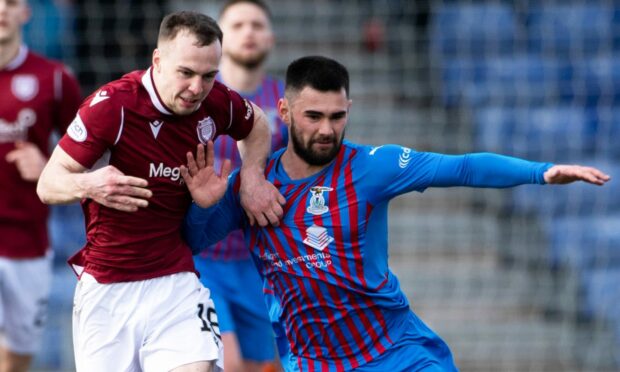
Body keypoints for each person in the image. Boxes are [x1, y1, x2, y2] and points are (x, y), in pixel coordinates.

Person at [182, 56, 611, 371]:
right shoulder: (252, 189)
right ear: (287, 113)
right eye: (313, 116)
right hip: (314, 361)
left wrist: (541, 173)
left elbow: (460, 166)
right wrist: (203, 205)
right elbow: (193, 242)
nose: (327, 129)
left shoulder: (371, 166)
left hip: (396, 353)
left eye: (337, 116)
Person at [36, 10, 284, 372]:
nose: (197, 88)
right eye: (185, 73)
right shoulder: (112, 107)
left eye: (208, 76)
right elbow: (48, 184)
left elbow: (257, 124)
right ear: (158, 60)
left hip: (175, 281)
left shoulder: (215, 101)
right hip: (108, 288)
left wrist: (253, 179)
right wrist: (90, 183)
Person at [193, 1, 286, 371]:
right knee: (223, 363)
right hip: (201, 257)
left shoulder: (286, 104)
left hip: (257, 261)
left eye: (257, 25)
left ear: (271, 38)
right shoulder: (195, 96)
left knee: (260, 365)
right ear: (218, 37)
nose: (249, 32)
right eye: (238, 25)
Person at [0, 0, 81, 371]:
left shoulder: (54, 78)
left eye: (11, 2)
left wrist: (48, 165)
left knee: (17, 354)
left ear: (26, 13)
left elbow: (89, 157)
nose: (2, 9)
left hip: (27, 241)